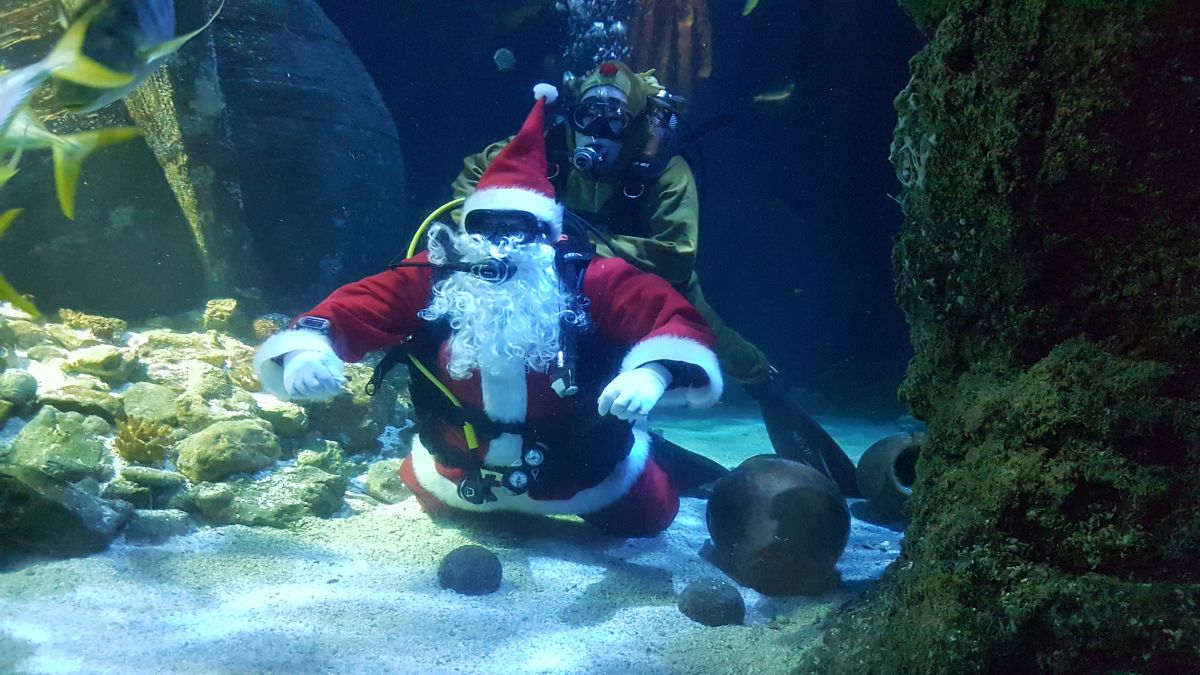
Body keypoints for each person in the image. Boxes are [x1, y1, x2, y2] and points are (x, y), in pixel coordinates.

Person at [254, 84, 725, 537]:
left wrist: (654, 373)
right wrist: (305, 350)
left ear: (547, 234)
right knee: (436, 503)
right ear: (466, 229)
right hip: (455, 476)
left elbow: (675, 319)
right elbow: (358, 305)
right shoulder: (434, 275)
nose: (499, 244)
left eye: (517, 228)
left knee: (650, 518)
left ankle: (661, 455)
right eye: (485, 228)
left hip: (586, 477)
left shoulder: (593, 277)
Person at [450, 61, 860, 496]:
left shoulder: (666, 169)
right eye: (587, 115)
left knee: (717, 342)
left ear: (637, 123)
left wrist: (583, 249)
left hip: (646, 284)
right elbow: (473, 185)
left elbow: (676, 256)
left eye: (614, 119)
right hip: (552, 279)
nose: (598, 130)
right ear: (571, 117)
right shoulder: (543, 149)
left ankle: (766, 385)